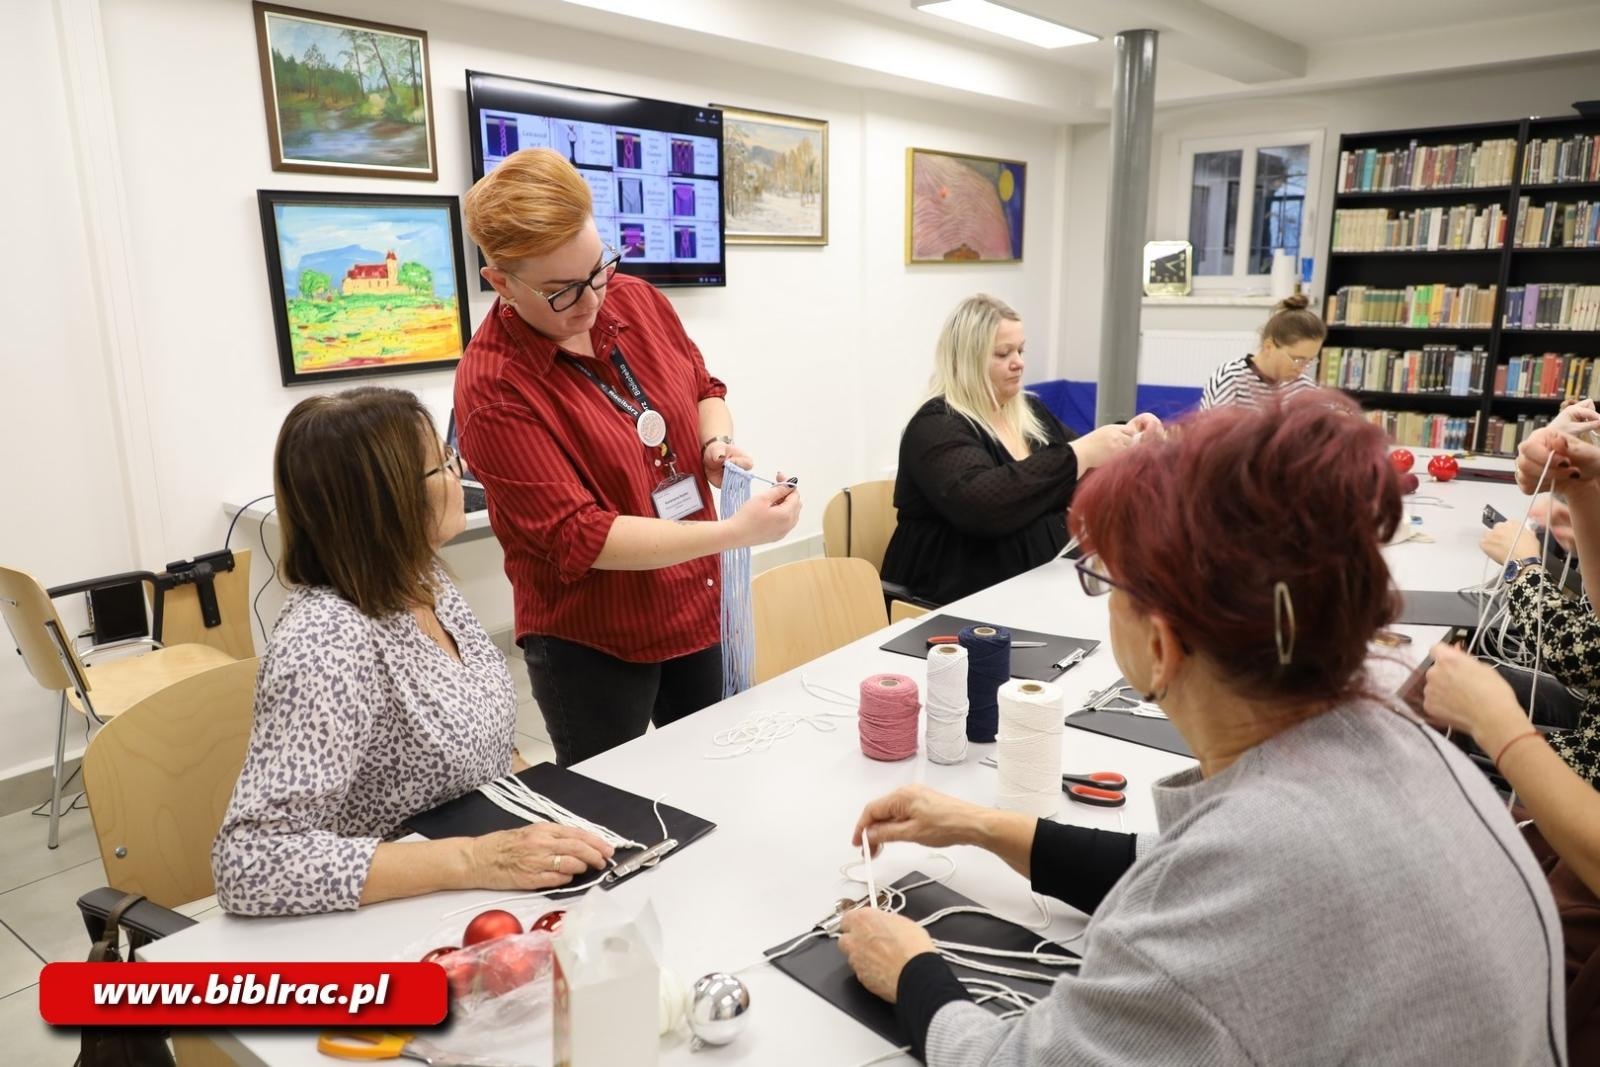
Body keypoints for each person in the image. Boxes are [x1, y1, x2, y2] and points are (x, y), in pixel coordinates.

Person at [837, 394, 1564, 1066]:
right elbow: (1200, 871)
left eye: (1104, 580)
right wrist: (983, 825)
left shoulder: (1246, 879)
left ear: (1162, 643)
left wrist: (913, 971)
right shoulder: (1404, 743)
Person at [457, 148, 800, 766]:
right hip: (595, 639)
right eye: (561, 292)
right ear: (501, 283)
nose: (591, 300)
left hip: (696, 604)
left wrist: (711, 445)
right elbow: (579, 536)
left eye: (598, 269)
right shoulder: (494, 387)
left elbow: (703, 388)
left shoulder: (635, 300)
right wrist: (731, 533)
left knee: (724, 771)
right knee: (620, 815)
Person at [213, 389, 614, 917]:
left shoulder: (423, 581)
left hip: (479, 871)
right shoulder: (327, 641)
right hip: (395, 912)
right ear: (385, 500)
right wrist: (474, 860)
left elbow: (486, 750)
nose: (461, 475)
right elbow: (249, 863)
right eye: (443, 466)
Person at [879, 294, 1159, 606]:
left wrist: (1130, 443)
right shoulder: (936, 426)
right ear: (965, 359)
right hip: (956, 600)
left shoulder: (1029, 412)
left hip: (1040, 586)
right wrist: (1080, 453)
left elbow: (1081, 477)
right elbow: (984, 506)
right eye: (1003, 353)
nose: (1019, 362)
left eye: (1020, 350)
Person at [1199, 293, 1326, 409]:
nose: (1302, 369)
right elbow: (1214, 432)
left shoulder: (1304, 386)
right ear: (1269, 347)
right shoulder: (1232, 378)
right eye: (1298, 360)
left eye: (1310, 360)